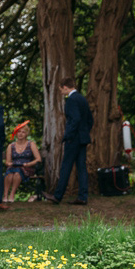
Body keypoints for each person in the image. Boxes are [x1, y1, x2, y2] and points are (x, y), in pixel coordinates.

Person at [44, 77, 94, 205]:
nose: (61, 92)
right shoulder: (82, 99)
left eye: (61, 89)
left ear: (65, 87)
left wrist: (69, 134)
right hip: (82, 138)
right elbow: (90, 120)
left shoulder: (71, 100)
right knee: (81, 167)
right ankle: (83, 197)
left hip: (74, 138)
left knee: (66, 165)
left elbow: (75, 119)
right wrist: (84, 132)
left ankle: (58, 195)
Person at [3, 120, 42, 203]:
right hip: (14, 166)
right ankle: (5, 195)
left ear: (26, 134)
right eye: (19, 132)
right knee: (9, 173)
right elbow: (7, 162)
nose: (20, 134)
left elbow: (38, 159)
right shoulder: (11, 146)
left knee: (17, 173)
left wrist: (29, 164)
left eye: (23, 132)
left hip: (27, 167)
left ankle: (12, 194)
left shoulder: (31, 144)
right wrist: (9, 163)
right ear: (16, 133)